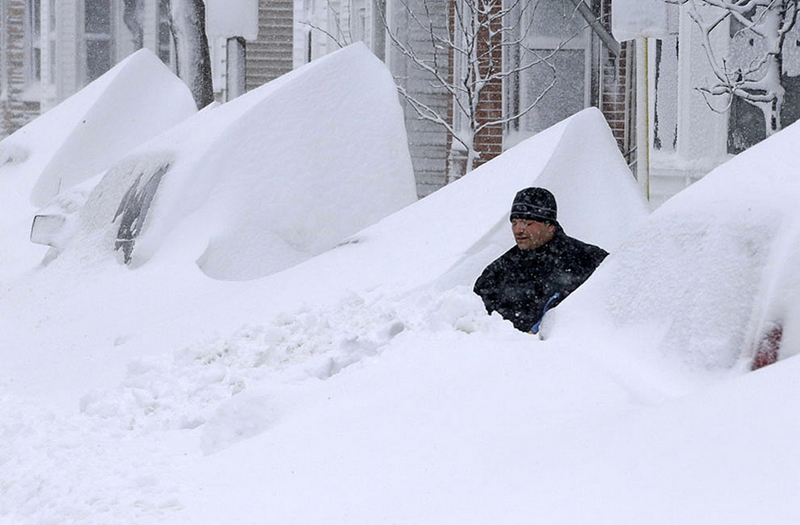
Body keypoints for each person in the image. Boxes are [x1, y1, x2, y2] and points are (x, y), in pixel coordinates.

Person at [473, 187, 608, 333]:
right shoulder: (497, 272)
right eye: (514, 223)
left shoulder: (589, 260)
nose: (518, 230)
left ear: (550, 226)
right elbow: (474, 320)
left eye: (527, 223)